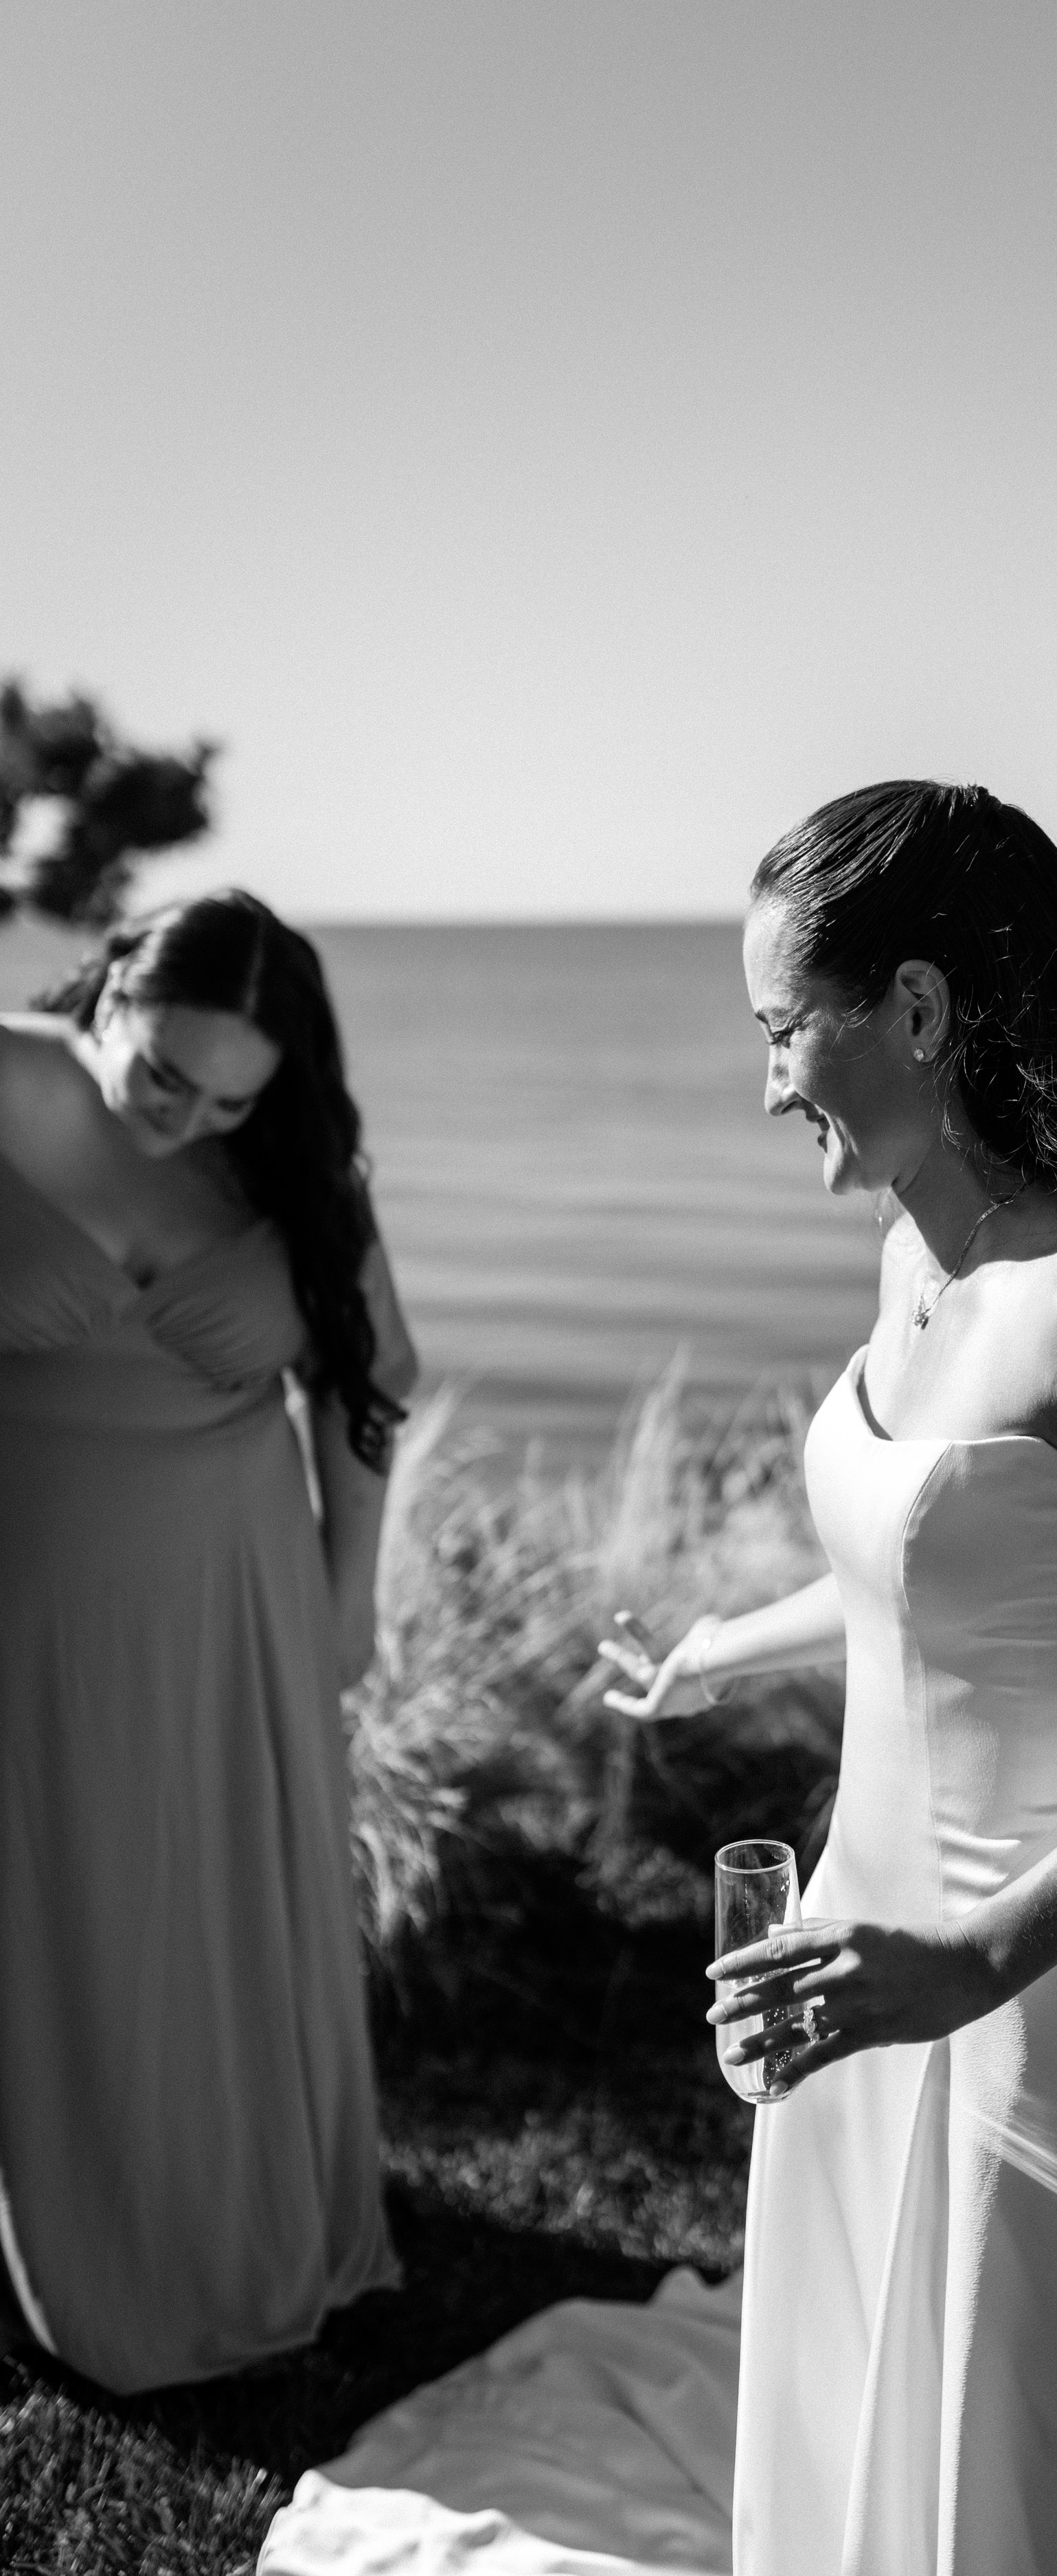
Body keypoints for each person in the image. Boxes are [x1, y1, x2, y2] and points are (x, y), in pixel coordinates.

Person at [600, 782, 1057, 2575]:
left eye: (783, 1028)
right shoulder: (908, 1255)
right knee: (885, 2393)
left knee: (1042, 2444)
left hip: (1050, 1976)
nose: (767, 1083)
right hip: (858, 1942)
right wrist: (717, 1650)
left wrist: (980, 1960)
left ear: (917, 1010)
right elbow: (918, 1568)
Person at [0, 890, 413, 2393]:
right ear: (108, 988)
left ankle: (225, 2225)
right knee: (55, 1915)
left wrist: (348, 1596)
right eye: (164, 1076)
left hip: (237, 1599)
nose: (185, 1122)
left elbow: (365, 1386)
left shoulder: (287, 1162)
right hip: (31, 1604)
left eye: (228, 1099)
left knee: (219, 1908)